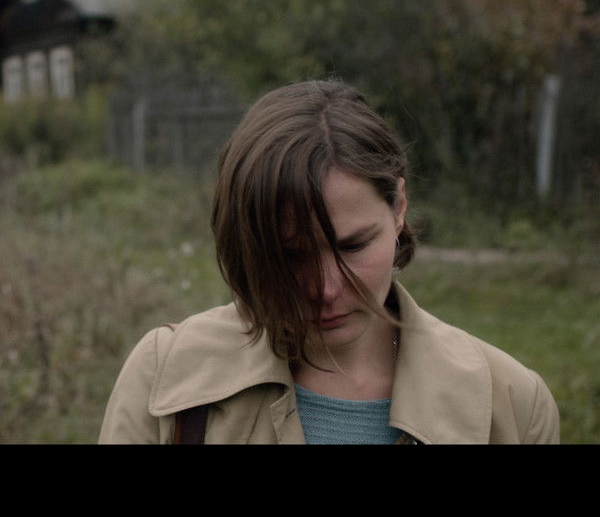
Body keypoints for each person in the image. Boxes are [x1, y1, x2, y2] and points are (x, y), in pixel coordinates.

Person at [98, 78, 560, 444]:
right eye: (290, 255)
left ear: (399, 207)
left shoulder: (512, 404)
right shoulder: (164, 376)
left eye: (353, 246)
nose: (325, 289)